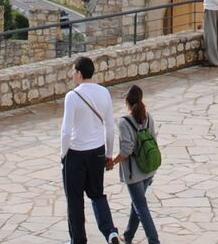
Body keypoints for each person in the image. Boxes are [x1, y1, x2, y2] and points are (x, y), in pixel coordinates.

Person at [59, 55, 121, 244]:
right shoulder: (104, 92)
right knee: (97, 194)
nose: (72, 74)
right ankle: (110, 232)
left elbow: (66, 131)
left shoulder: (72, 97)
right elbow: (110, 127)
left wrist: (63, 154)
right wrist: (108, 154)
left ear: (79, 73)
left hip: (76, 153)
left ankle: (78, 240)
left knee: (75, 200)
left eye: (73, 71)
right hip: (97, 151)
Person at [105, 84, 161, 244]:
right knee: (138, 203)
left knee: (140, 206)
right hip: (149, 169)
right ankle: (128, 235)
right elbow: (153, 139)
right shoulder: (147, 117)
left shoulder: (124, 122)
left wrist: (113, 162)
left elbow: (126, 149)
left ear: (127, 101)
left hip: (134, 174)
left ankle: (154, 240)